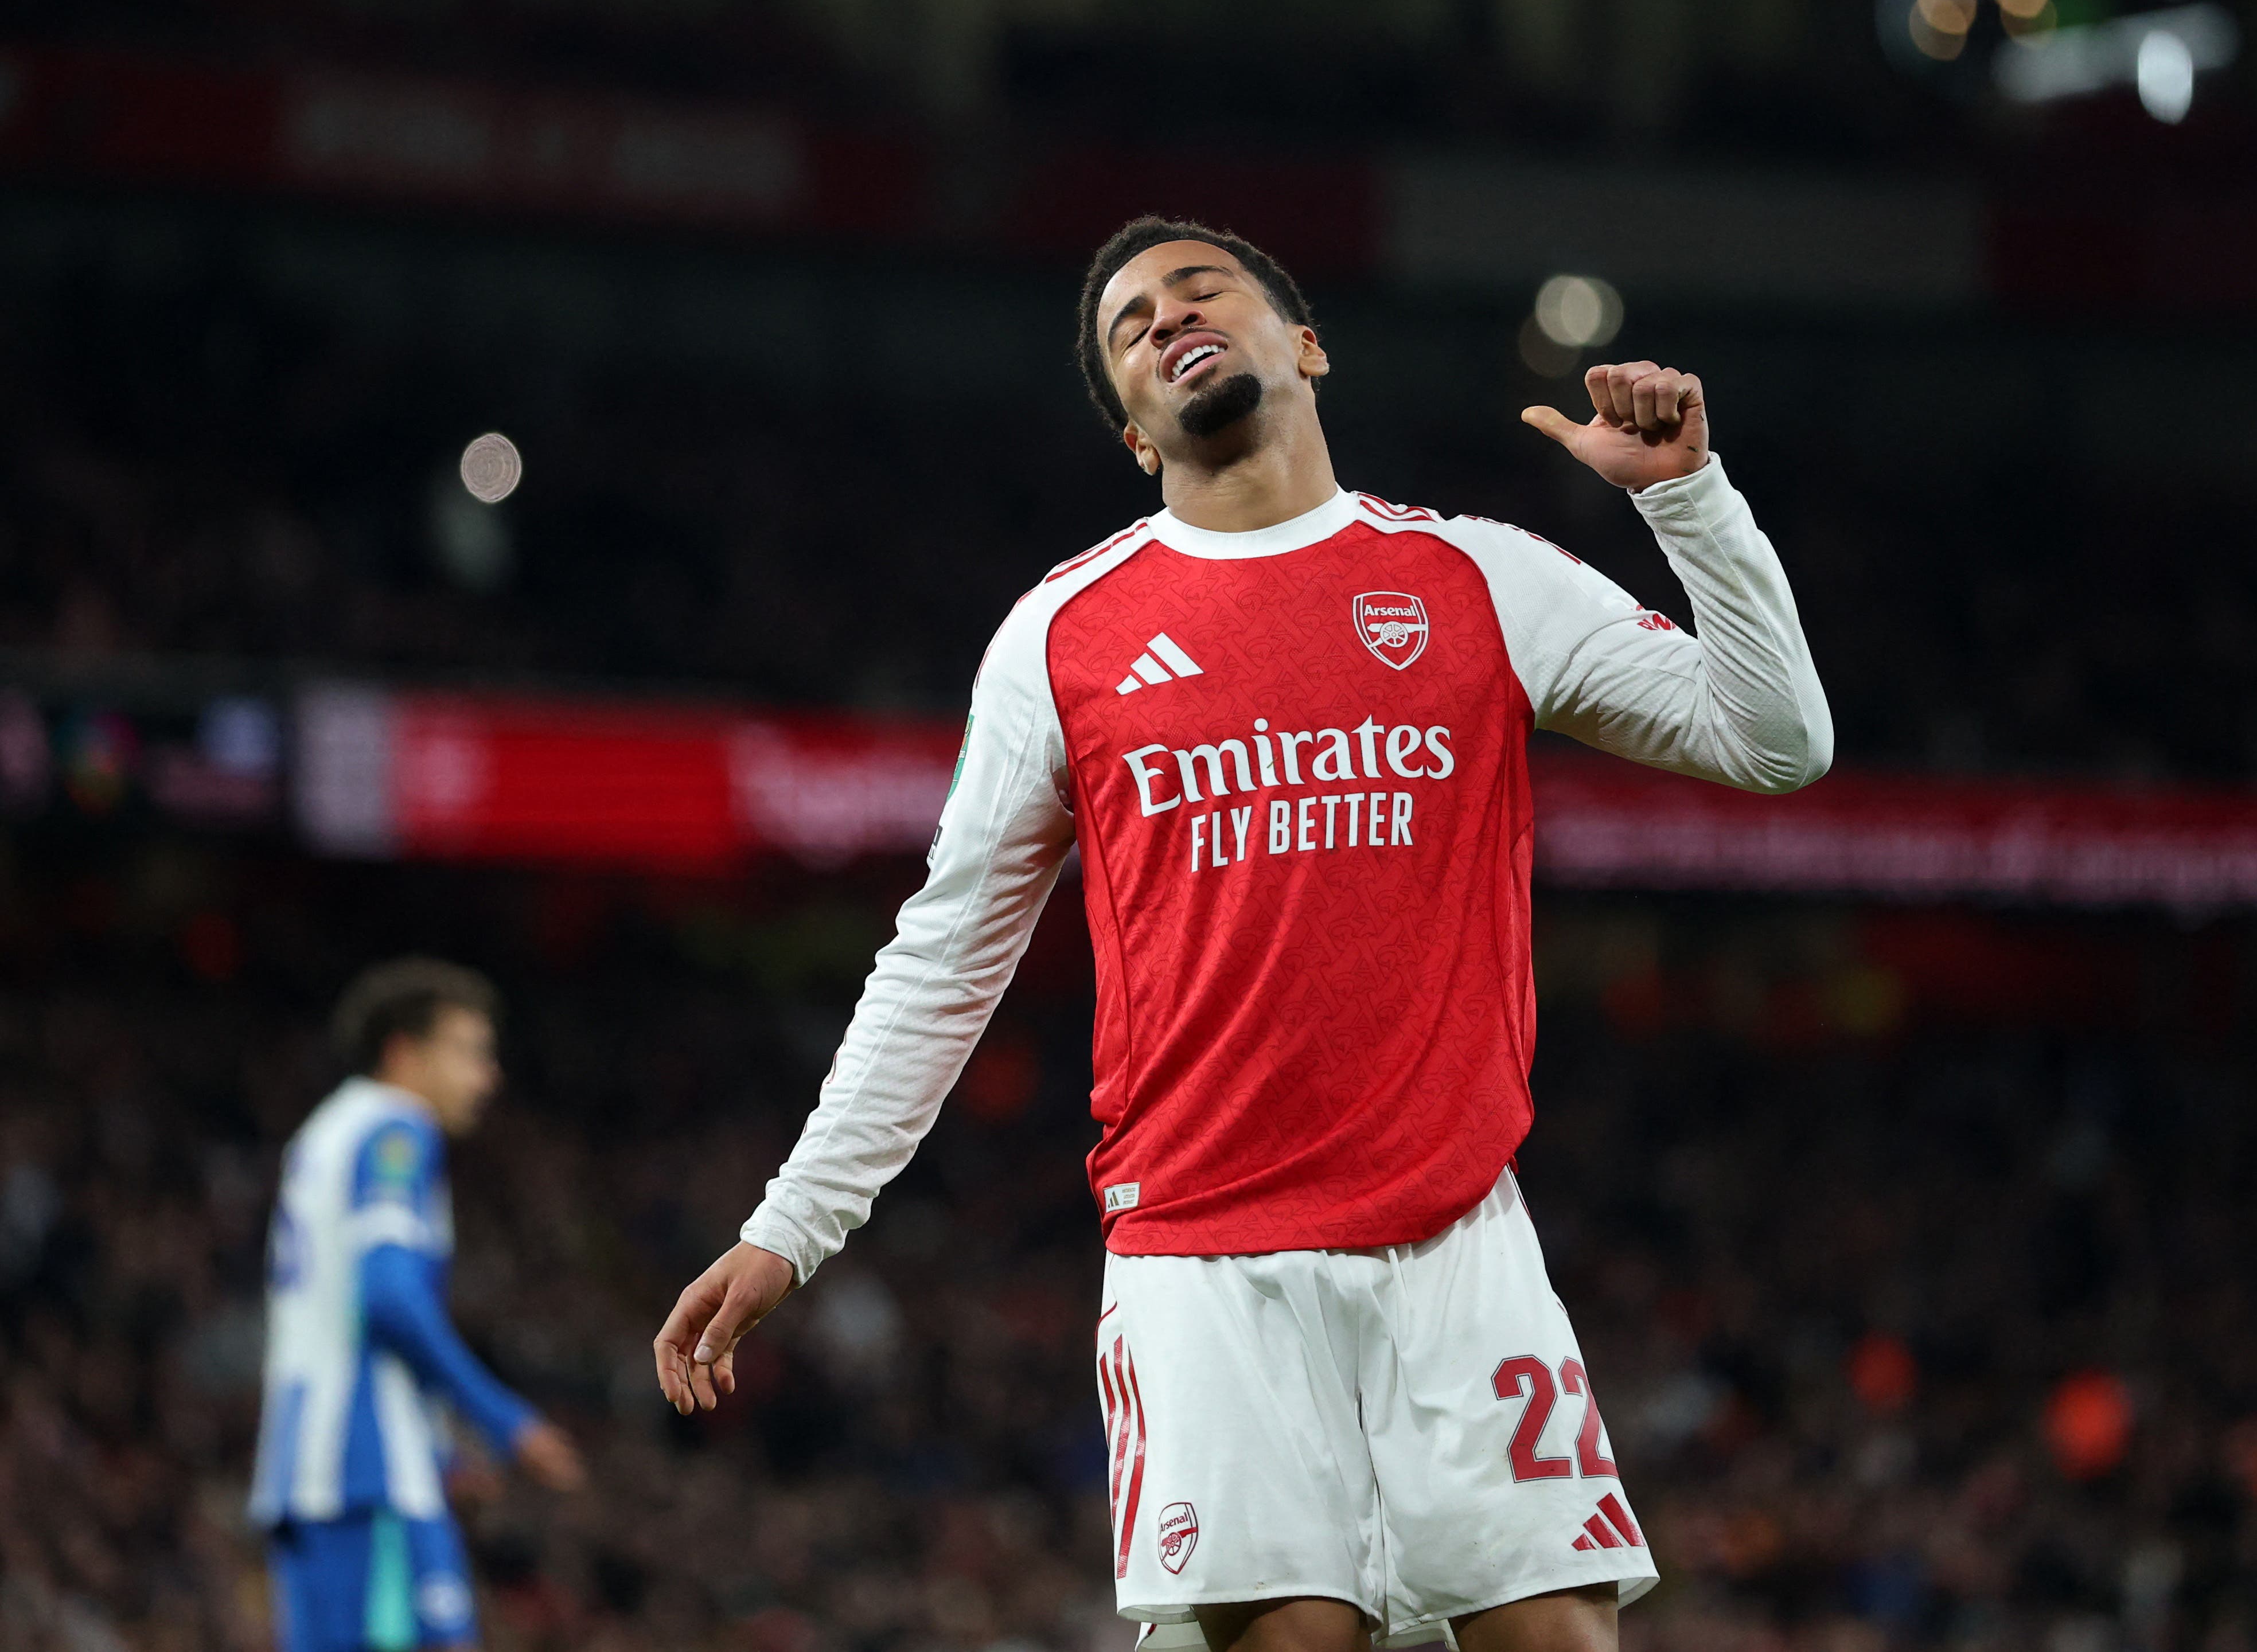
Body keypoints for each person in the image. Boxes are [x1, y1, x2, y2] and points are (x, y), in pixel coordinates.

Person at [654, 217, 1832, 1652]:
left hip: (1456, 1235)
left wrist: (1687, 501)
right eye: (1128, 327)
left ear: (1306, 344)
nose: (1165, 318)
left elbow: (1774, 742)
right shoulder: (1061, 636)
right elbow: (944, 956)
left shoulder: (1475, 577)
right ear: (1132, 432)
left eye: (1198, 289)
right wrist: (792, 1223)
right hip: (1202, 1258)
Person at [252, 957, 584, 1652]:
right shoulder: (396, 1129)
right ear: (403, 1053)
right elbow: (387, 1298)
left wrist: (438, 1449)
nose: (487, 1077)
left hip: (313, 1464)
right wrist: (505, 1421)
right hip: (366, 1471)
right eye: (468, 1053)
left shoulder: (326, 1133)